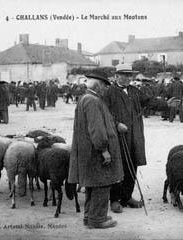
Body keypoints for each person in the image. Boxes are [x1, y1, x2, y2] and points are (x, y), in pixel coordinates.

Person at [68, 73, 123, 229]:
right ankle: (98, 219)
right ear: (98, 85)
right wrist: (104, 150)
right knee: (102, 183)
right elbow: (97, 130)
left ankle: (89, 216)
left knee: (92, 184)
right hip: (96, 152)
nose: (106, 89)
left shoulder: (86, 98)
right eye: (105, 86)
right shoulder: (92, 101)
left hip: (88, 151)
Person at [103, 63, 150, 213]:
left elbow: (149, 101)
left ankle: (127, 197)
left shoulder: (135, 91)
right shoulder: (109, 92)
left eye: (129, 75)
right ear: (116, 76)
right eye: (124, 75)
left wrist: (167, 104)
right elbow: (104, 113)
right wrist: (116, 124)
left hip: (134, 135)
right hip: (118, 136)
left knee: (132, 165)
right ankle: (115, 199)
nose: (127, 78)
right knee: (118, 166)